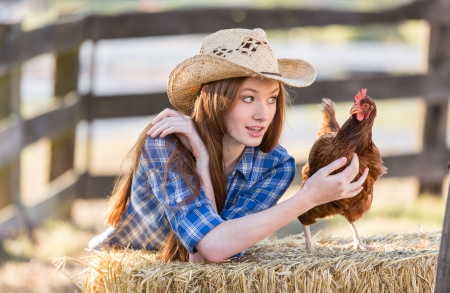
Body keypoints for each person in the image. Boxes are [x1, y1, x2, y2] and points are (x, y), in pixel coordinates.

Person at [88, 28, 369, 263]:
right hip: (129, 262)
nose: (264, 114)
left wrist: (202, 160)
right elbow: (210, 248)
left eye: (272, 98)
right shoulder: (164, 142)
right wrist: (307, 197)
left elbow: (211, 255)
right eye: (248, 98)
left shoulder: (275, 165)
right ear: (213, 97)